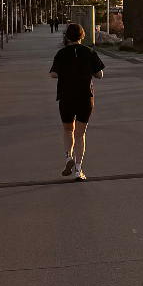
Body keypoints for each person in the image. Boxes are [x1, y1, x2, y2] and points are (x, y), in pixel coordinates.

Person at [50, 21, 104, 178]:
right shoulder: (89, 52)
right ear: (82, 36)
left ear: (67, 37)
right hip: (84, 97)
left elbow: (53, 73)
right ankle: (78, 170)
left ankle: (68, 156)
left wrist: (66, 73)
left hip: (66, 97)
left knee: (68, 129)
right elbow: (99, 74)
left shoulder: (61, 54)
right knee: (80, 134)